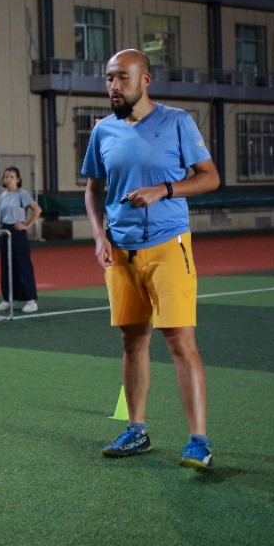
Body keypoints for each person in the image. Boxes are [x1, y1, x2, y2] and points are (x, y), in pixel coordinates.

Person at [82, 49, 220, 469]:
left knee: (180, 341)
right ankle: (136, 431)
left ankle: (198, 441)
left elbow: (210, 177)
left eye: (122, 77)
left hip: (168, 245)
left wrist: (165, 190)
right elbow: (93, 189)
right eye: (109, 78)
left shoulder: (177, 121)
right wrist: (99, 236)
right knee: (132, 341)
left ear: (145, 80)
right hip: (121, 253)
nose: (114, 86)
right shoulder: (102, 130)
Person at [0, 166, 42, 313]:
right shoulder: (3, 196)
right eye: (6, 177)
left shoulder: (22, 194)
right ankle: (8, 299)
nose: (8, 179)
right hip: (5, 231)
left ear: (18, 179)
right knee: (6, 266)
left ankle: (31, 301)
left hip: (17, 232)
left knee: (22, 265)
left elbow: (37, 209)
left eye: (11, 177)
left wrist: (27, 224)